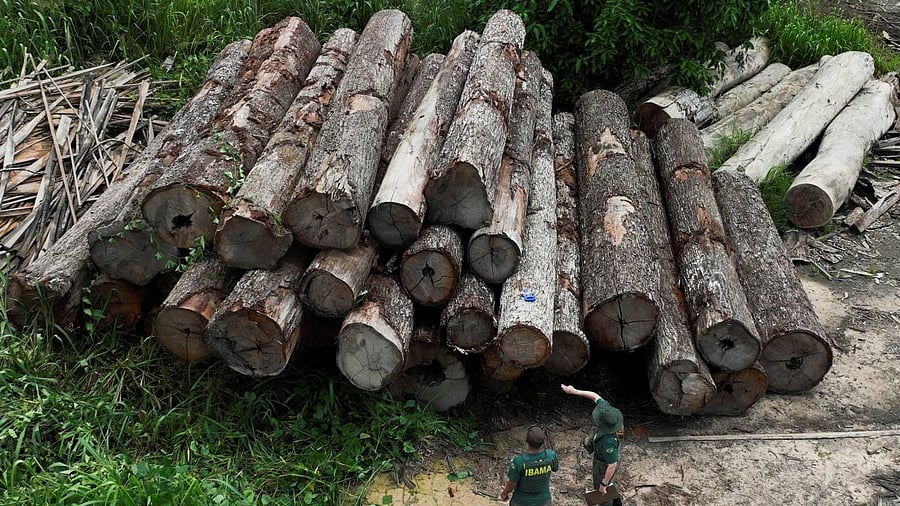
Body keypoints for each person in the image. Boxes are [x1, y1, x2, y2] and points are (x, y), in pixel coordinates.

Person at [561, 384, 624, 503]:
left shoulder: (608, 442)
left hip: (603, 463)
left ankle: (607, 500)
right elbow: (595, 396)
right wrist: (574, 391)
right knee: (610, 483)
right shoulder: (611, 413)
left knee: (603, 492)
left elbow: (612, 465)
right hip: (610, 453)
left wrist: (603, 484)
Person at [499, 424, 560, 505]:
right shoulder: (551, 456)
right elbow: (555, 468)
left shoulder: (519, 461)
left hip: (521, 502)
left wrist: (504, 494)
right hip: (544, 501)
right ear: (543, 442)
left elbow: (512, 483)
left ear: (527, 440)